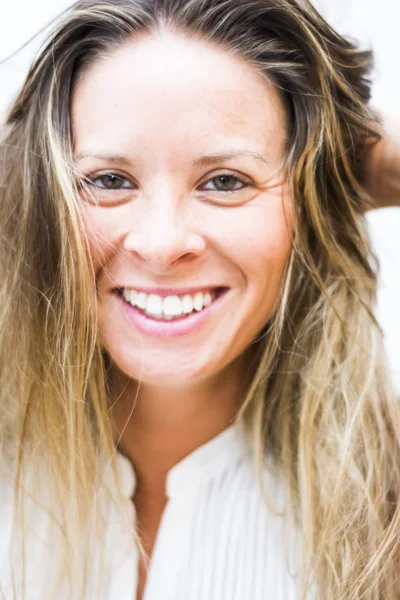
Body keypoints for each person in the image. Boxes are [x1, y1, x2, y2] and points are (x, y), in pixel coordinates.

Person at [0, 0, 399, 598]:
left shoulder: (385, 500)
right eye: (109, 180)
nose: (161, 245)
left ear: (312, 204)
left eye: (225, 182)